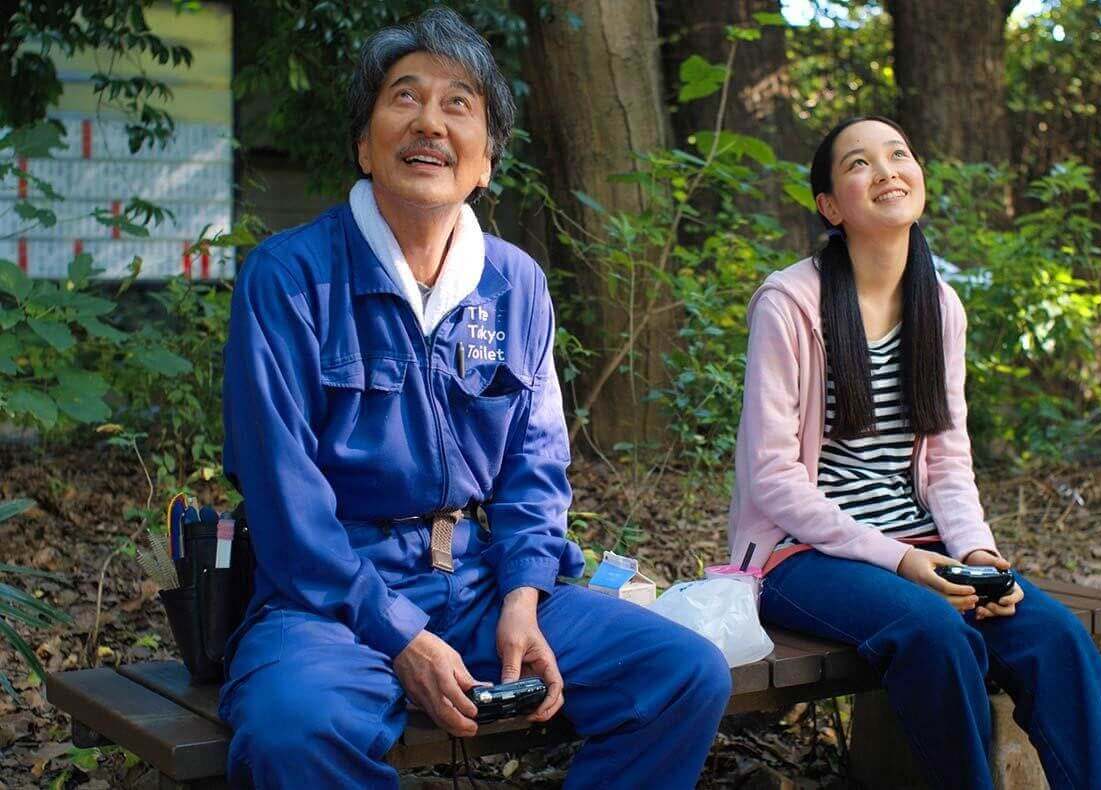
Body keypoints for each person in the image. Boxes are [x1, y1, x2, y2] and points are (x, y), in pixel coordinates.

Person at [218, 8, 730, 788]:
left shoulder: (515, 284)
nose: (429, 121)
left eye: (458, 103)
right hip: (329, 601)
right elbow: (285, 504)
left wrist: (522, 596)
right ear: (364, 145)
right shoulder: (290, 278)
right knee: (291, 728)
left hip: (482, 585)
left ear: (486, 160)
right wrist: (400, 637)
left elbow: (535, 468)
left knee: (684, 673)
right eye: (404, 97)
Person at [727, 115, 1101, 789]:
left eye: (898, 154)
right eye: (859, 163)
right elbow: (771, 477)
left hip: (921, 546)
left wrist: (976, 553)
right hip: (799, 557)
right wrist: (901, 561)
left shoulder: (940, 305)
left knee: (1053, 635)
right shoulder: (789, 302)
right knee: (934, 631)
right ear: (830, 207)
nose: (886, 170)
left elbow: (948, 461)